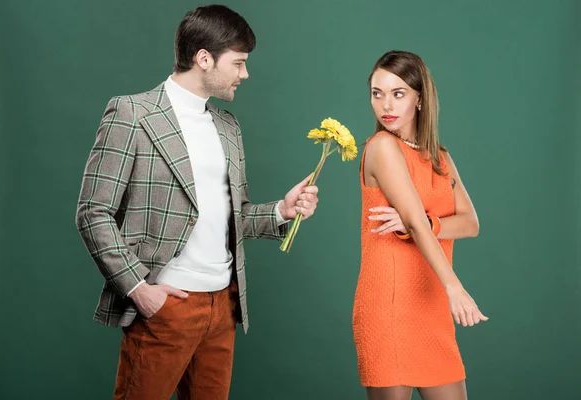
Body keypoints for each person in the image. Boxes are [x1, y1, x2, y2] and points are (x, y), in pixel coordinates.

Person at [75, 5, 319, 399]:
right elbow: (93, 212)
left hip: (223, 306)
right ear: (204, 58)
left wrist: (280, 211)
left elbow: (231, 215)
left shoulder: (227, 125)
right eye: (238, 63)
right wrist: (139, 288)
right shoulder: (133, 114)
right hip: (164, 304)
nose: (245, 74)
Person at [353, 50, 488, 400]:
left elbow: (471, 223)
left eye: (398, 94)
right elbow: (412, 221)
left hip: (431, 306)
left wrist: (428, 224)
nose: (386, 105)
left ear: (420, 100)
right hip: (390, 303)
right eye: (377, 93)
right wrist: (455, 287)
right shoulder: (382, 147)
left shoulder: (441, 158)